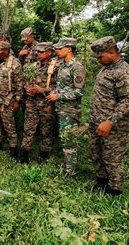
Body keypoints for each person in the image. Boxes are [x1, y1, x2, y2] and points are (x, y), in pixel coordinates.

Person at [89, 36, 129, 196]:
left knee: (112, 157)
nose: (98, 59)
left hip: (113, 125)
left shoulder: (125, 72)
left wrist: (110, 121)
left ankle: (114, 189)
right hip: (96, 121)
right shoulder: (106, 68)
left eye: (100, 56)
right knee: (97, 152)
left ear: (111, 52)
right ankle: (102, 181)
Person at [46, 37, 86, 176]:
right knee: (64, 138)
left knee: (69, 140)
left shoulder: (77, 67)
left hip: (70, 110)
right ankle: (67, 165)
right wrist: (54, 92)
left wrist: (59, 96)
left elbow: (79, 91)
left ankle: (70, 172)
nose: (57, 50)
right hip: (61, 108)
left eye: (60, 48)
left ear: (69, 49)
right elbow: (62, 86)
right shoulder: (62, 65)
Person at [19, 42, 59, 163]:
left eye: (41, 51)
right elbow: (26, 80)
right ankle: (24, 154)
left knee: (46, 129)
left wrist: (41, 90)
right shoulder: (33, 65)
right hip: (32, 102)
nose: (38, 54)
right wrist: (28, 89)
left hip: (46, 104)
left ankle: (44, 154)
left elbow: (60, 88)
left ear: (49, 52)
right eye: (37, 51)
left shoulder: (57, 66)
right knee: (28, 127)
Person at [0, 41, 24, 158]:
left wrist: (17, 101)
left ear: (6, 51)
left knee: (9, 125)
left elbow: (19, 84)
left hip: (7, 101)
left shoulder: (14, 64)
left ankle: (13, 147)